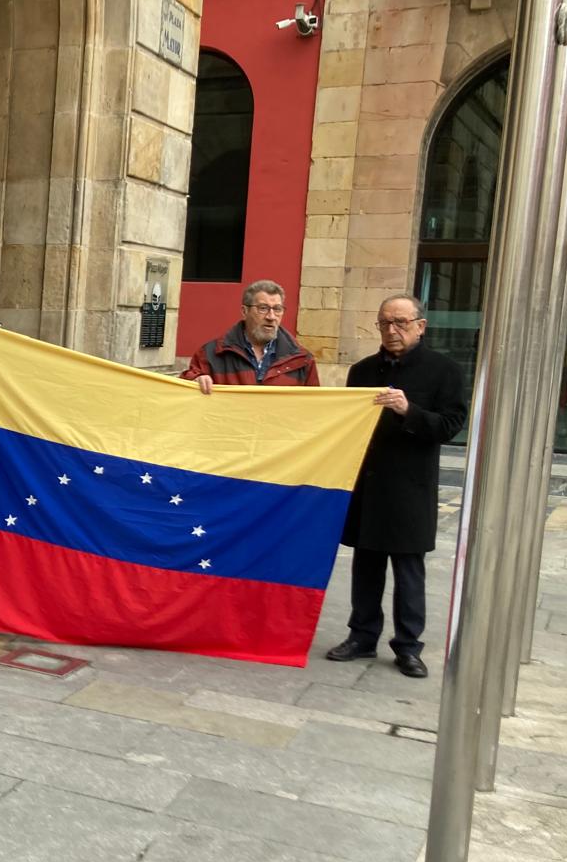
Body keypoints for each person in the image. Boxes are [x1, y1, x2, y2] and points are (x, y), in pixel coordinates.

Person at [326, 294, 467, 677]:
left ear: (420, 326)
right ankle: (361, 636)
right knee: (366, 566)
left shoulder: (444, 371)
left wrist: (409, 410)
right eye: (385, 323)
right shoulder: (363, 370)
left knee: (409, 570)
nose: (392, 330)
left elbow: (452, 426)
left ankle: (408, 647)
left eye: (401, 323)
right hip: (369, 486)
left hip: (411, 488)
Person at [184, 279, 320, 392]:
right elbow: (184, 392)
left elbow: (314, 409)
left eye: (277, 309)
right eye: (263, 308)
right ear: (244, 311)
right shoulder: (211, 354)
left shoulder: (302, 360)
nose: (271, 317)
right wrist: (195, 380)